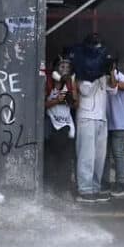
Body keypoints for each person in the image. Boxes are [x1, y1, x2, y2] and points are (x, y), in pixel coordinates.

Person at [74, 47, 113, 203]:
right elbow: (86, 90)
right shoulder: (81, 73)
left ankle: (95, 187)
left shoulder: (103, 74)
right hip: (87, 117)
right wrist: (96, 75)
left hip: (101, 118)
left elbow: (114, 88)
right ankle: (84, 189)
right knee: (86, 156)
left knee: (99, 157)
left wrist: (110, 70)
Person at [44, 57, 76, 198]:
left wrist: (71, 89)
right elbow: (42, 104)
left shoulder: (69, 84)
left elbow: (76, 104)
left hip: (66, 125)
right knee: (51, 159)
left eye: (67, 67)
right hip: (52, 125)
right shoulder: (48, 83)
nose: (65, 70)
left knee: (66, 160)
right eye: (62, 67)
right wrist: (57, 100)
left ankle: (63, 189)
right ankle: (49, 188)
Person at [102, 56, 124, 198]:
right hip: (105, 122)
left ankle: (120, 184)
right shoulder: (101, 78)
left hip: (118, 123)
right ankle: (104, 182)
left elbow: (120, 86)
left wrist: (113, 73)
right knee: (104, 154)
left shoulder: (122, 77)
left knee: (118, 154)